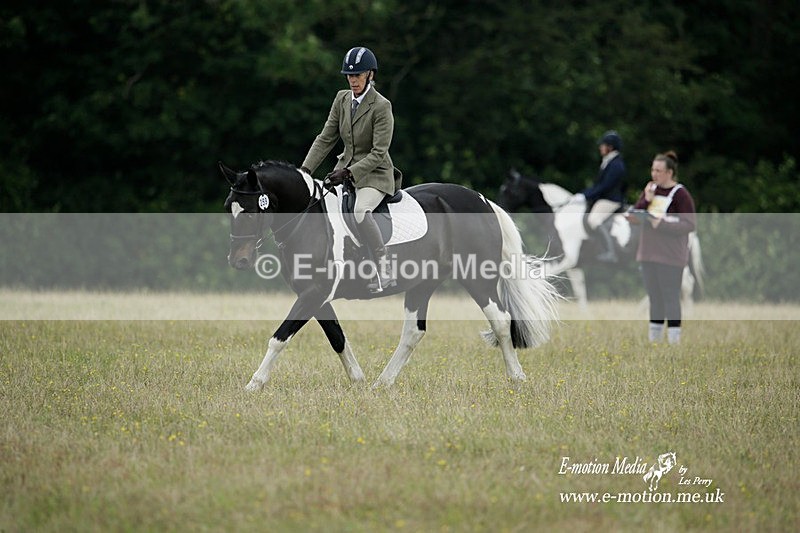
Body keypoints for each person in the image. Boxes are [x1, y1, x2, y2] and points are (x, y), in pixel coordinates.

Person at [300, 46, 401, 292]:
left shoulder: (381, 106)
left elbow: (378, 152)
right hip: (343, 170)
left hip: (375, 175)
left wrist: (348, 173)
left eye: (358, 75)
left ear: (370, 75)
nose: (353, 80)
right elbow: (326, 138)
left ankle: (383, 266)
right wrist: (304, 170)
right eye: (349, 75)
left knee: (360, 211)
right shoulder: (342, 99)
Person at [626, 151, 696, 345]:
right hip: (648, 254)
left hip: (670, 256)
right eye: (653, 170)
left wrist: (662, 224)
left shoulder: (680, 194)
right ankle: (654, 341)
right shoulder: (650, 190)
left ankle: (674, 341)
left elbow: (689, 225)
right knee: (654, 298)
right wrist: (646, 200)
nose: (654, 174)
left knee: (670, 297)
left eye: (658, 171)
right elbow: (634, 216)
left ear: (669, 173)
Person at [573, 130, 627, 262]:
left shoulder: (616, 164)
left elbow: (605, 186)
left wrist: (585, 196)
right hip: (603, 198)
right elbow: (598, 185)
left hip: (611, 200)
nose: (600, 147)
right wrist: (583, 194)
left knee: (594, 220)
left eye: (603, 145)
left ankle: (610, 252)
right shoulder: (608, 161)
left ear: (610, 147)